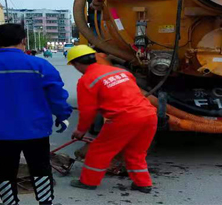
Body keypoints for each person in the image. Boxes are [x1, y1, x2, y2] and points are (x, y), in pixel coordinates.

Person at [0, 24, 72, 205]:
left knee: (4, 168)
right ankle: (45, 202)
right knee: (40, 166)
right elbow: (56, 95)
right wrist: (62, 115)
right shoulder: (39, 65)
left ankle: (10, 203)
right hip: (36, 129)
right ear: (23, 41)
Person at [67, 45, 157, 193]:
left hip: (124, 118)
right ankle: (143, 183)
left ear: (76, 64)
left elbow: (88, 111)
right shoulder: (120, 71)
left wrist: (80, 130)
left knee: (99, 150)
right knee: (136, 153)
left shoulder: (87, 80)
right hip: (148, 115)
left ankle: (88, 182)